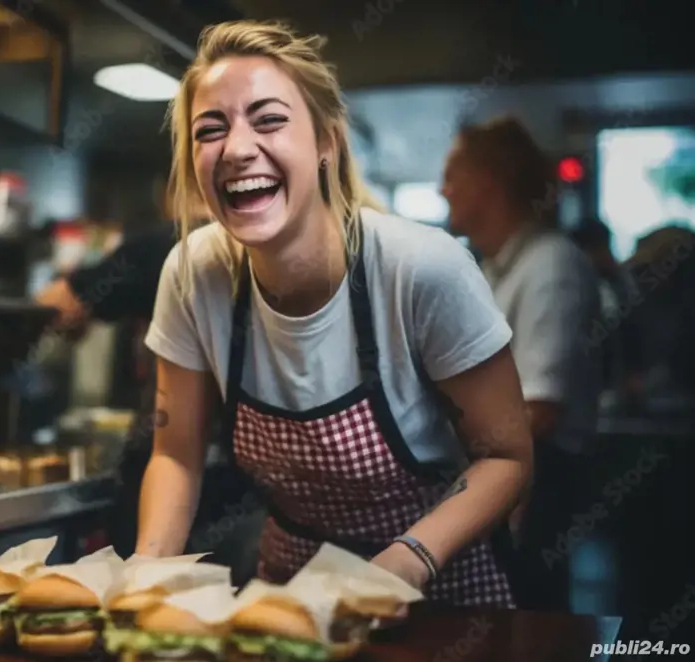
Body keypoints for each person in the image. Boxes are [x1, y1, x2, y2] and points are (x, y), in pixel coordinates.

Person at [136, 20, 533, 606]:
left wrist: (405, 562)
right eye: (210, 130)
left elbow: (506, 456)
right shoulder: (195, 274)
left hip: (442, 595)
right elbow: (176, 454)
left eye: (269, 120)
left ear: (327, 142)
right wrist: (145, 575)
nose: (237, 149)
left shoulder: (420, 268)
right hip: (289, 594)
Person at [34, 198, 260, 578]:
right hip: (241, 491)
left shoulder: (163, 245)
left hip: (175, 482)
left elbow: (57, 303)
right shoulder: (206, 253)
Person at [441, 117, 602, 611]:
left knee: (529, 625)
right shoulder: (492, 267)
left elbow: (541, 411)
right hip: (501, 469)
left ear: (488, 183)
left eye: (452, 176)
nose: (443, 190)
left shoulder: (552, 263)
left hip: (539, 477)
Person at [570, 219, 646, 400]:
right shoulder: (574, 288)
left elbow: (631, 332)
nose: (608, 256)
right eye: (600, 249)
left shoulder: (621, 284)